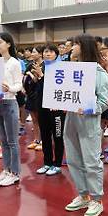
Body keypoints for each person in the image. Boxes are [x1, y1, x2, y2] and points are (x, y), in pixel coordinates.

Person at [63, 34, 108, 216]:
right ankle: (83, 195)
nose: (71, 47)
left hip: (89, 120)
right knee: (73, 159)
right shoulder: (70, 70)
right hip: (71, 119)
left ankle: (96, 199)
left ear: (84, 47)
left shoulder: (99, 73)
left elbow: (104, 102)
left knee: (91, 161)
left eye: (75, 44)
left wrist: (89, 108)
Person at [0, 32, 24, 187]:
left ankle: (15, 172)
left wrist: (9, 88)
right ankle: (6, 169)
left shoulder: (14, 63)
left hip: (9, 102)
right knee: (3, 140)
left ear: (8, 44)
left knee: (12, 141)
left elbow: (19, 85)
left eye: (0, 42)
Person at [29, 43, 65, 176]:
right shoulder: (41, 67)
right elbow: (40, 87)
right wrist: (37, 77)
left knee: (58, 136)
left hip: (56, 108)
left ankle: (57, 164)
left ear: (56, 54)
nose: (47, 54)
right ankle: (47, 162)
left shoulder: (61, 68)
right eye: (45, 51)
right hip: (42, 106)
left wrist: (42, 76)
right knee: (45, 135)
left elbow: (54, 87)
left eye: (51, 51)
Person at [23, 45, 44, 152]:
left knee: (41, 120)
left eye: (35, 52)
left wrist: (31, 75)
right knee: (34, 119)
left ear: (40, 54)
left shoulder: (44, 65)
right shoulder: (30, 64)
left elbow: (38, 80)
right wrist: (23, 88)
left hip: (40, 95)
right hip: (30, 94)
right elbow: (24, 77)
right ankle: (36, 139)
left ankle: (43, 141)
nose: (32, 54)